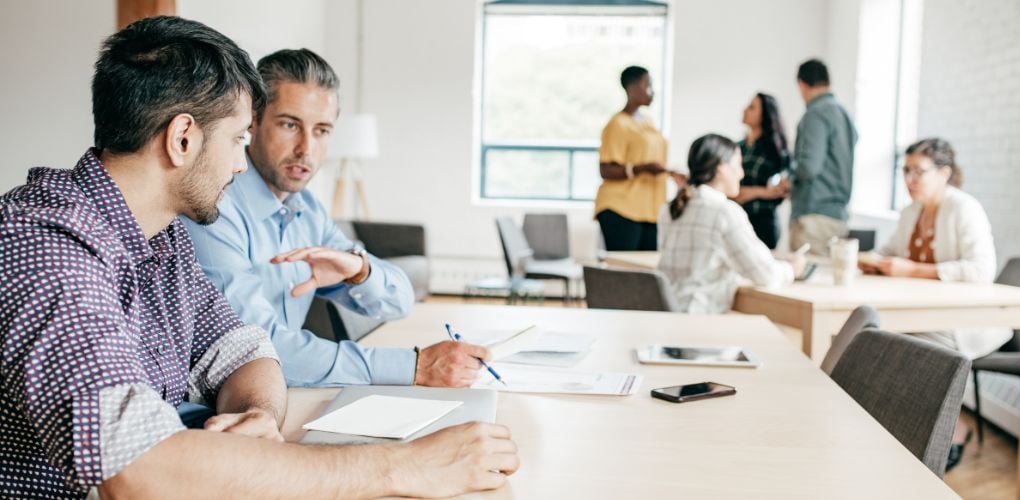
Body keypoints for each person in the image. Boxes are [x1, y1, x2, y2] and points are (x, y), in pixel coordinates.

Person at [0, 17, 517, 498]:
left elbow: (243, 348)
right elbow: (137, 470)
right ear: (183, 138)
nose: (239, 163)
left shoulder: (162, 234)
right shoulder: (46, 245)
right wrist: (403, 466)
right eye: (237, 138)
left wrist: (256, 415)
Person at [185, 48, 487, 388]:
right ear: (253, 120)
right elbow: (254, 349)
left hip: (285, 394)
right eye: (289, 124)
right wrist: (414, 366)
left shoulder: (307, 209)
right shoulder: (214, 207)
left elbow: (400, 301)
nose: (306, 149)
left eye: (322, 131)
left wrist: (360, 270)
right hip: (221, 408)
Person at [863, 138, 1009, 470]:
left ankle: (951, 431)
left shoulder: (964, 207)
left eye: (919, 171)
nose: (910, 179)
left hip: (964, 322)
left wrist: (914, 269)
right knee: (874, 337)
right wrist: (871, 261)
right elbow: (890, 252)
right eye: (906, 171)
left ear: (944, 173)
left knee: (912, 344)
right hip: (919, 316)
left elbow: (981, 269)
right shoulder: (910, 212)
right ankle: (900, 431)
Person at [657, 134, 806, 313]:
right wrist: (792, 269)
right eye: (738, 165)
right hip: (697, 324)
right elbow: (765, 274)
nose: (742, 173)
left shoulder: (669, 209)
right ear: (721, 168)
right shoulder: (723, 212)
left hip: (665, 316)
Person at [595, 65, 685, 251]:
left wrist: (669, 172)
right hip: (621, 207)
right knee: (624, 272)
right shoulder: (617, 124)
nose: (652, 91)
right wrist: (642, 168)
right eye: (648, 85)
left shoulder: (647, 122)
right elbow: (605, 170)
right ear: (632, 88)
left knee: (648, 271)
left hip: (650, 210)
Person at [789, 59, 858, 255]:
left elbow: (808, 167)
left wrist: (790, 178)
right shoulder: (843, 113)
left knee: (806, 281)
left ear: (801, 84)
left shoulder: (815, 114)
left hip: (814, 216)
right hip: (837, 216)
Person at [731, 93, 792, 248]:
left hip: (763, 223)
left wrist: (752, 192)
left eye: (752, 107)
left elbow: (782, 190)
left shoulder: (776, 150)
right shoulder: (737, 148)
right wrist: (763, 191)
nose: (745, 110)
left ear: (765, 114)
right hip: (736, 220)